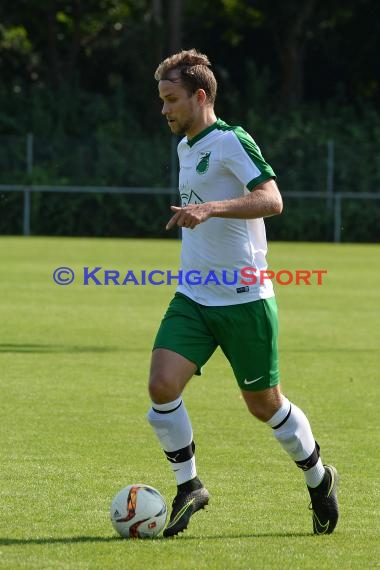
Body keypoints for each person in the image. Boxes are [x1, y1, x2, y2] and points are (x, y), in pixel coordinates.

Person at [147, 48, 339, 538]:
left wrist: (211, 208)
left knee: (264, 405)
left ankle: (319, 478)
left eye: (172, 99)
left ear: (200, 96)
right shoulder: (185, 146)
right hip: (193, 296)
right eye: (162, 100)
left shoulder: (231, 140)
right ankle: (189, 486)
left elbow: (271, 199)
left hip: (245, 299)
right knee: (162, 387)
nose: (164, 109)